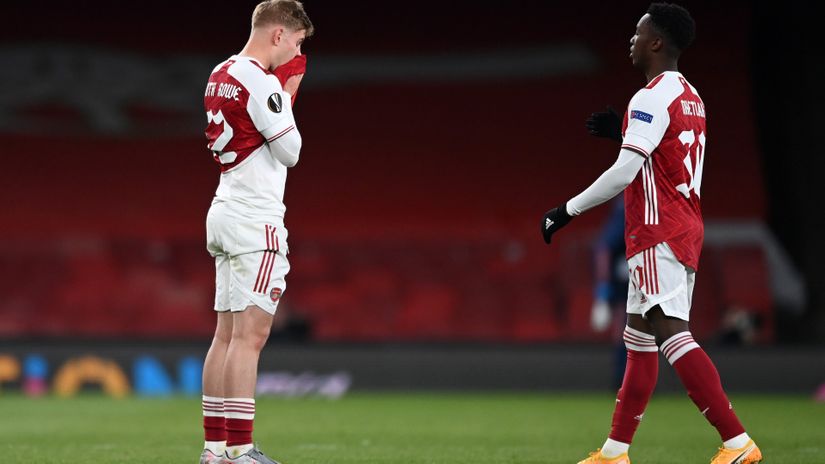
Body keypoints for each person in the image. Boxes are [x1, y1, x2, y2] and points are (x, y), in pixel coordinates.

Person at [541, 3, 762, 463]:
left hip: (658, 231)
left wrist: (566, 210)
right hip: (682, 226)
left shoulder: (650, 97)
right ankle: (614, 453)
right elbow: (668, 155)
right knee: (639, 342)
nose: (632, 39)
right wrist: (623, 131)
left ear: (657, 42)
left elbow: (625, 172)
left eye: (638, 33)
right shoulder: (691, 96)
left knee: (673, 336)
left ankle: (738, 442)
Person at [200, 1, 313, 463]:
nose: (297, 55)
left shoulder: (219, 72)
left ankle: (214, 450)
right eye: (298, 43)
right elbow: (291, 151)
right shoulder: (261, 81)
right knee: (249, 338)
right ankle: (240, 451)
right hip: (255, 220)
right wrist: (287, 93)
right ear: (278, 35)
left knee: (225, 337)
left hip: (225, 208)